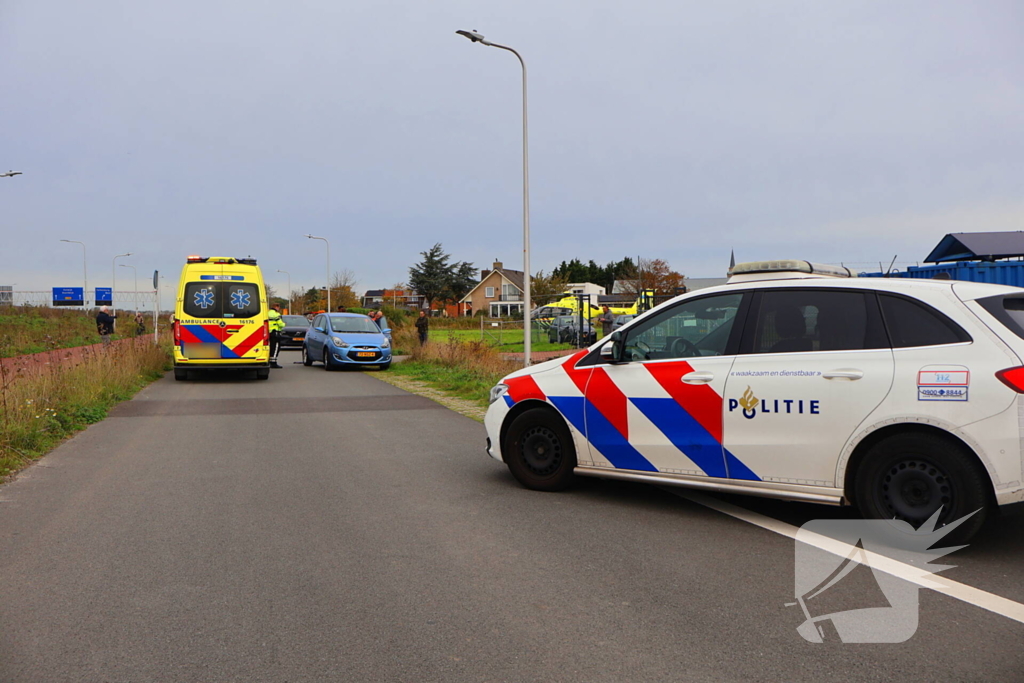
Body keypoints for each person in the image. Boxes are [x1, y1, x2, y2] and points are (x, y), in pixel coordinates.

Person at [268, 303, 285, 368]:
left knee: (270, 346)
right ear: (276, 307)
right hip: (275, 332)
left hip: (269, 332)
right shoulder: (276, 314)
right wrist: (284, 324)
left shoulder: (267, 313)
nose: (279, 309)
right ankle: (273, 362)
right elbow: (280, 324)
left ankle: (269, 360)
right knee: (276, 347)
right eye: (279, 307)